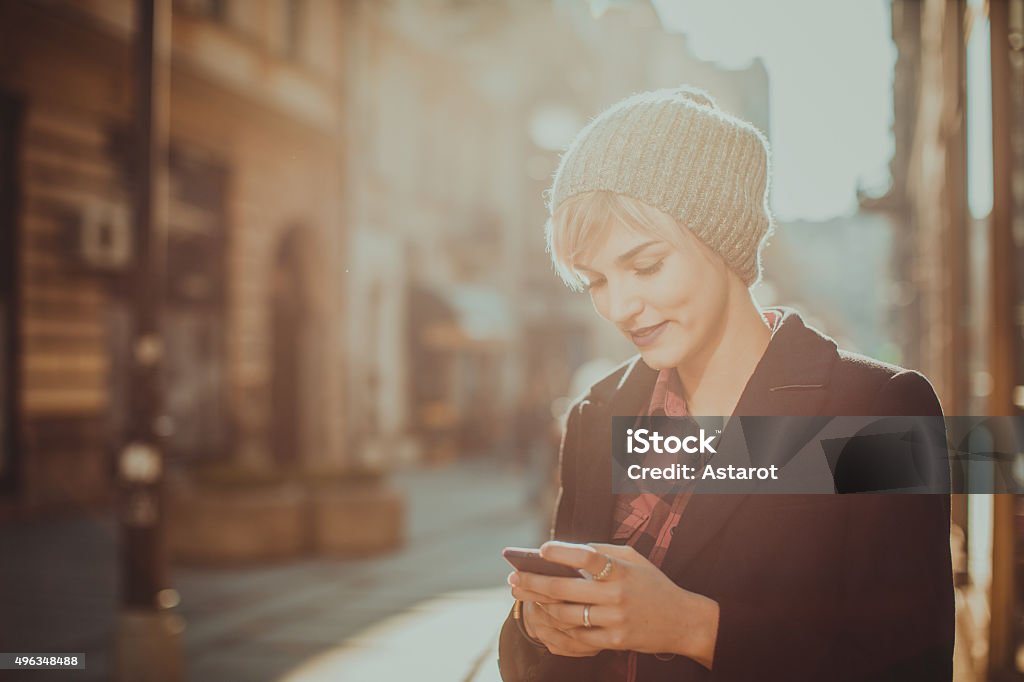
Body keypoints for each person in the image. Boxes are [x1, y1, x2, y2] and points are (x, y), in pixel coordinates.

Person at [497, 87, 953, 681]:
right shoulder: (601, 411)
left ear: (723, 238)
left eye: (645, 266)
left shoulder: (878, 410)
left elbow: (908, 666)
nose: (619, 305)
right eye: (594, 280)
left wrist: (693, 627)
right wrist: (538, 626)